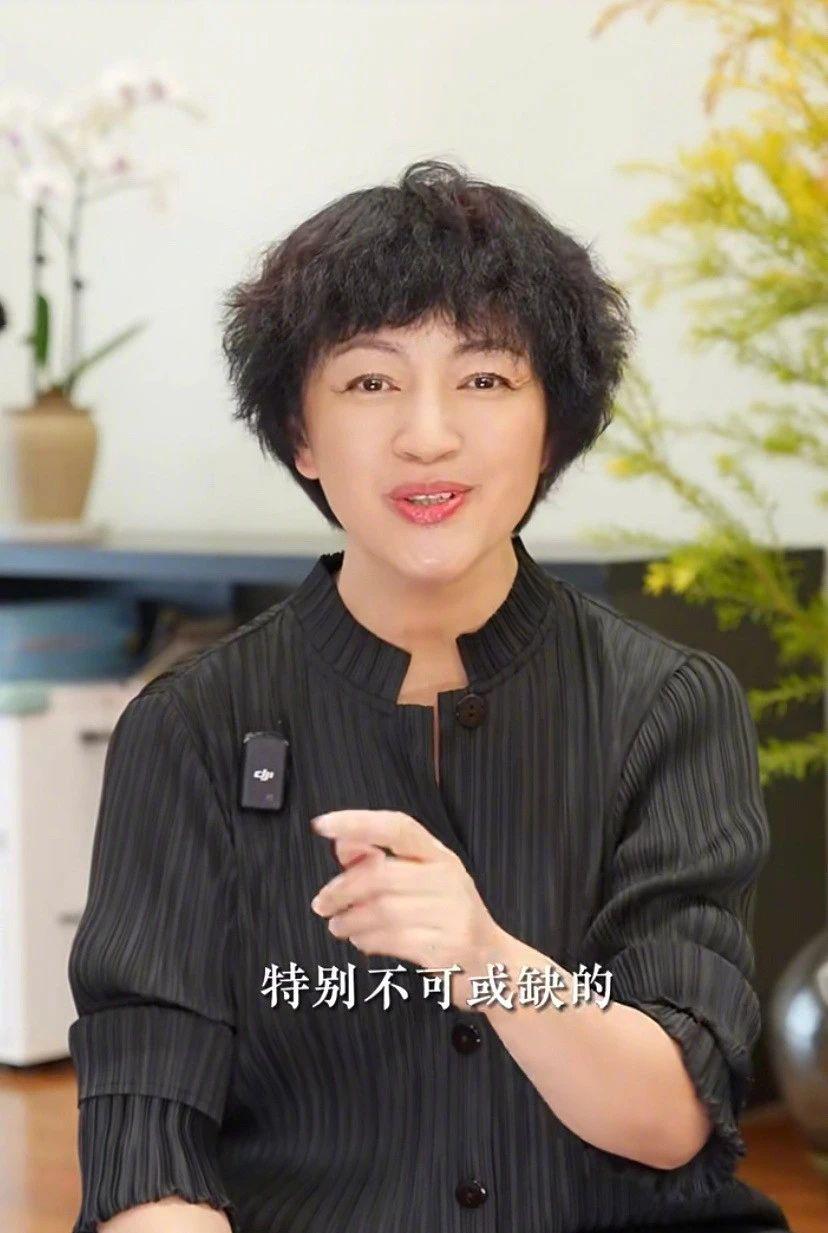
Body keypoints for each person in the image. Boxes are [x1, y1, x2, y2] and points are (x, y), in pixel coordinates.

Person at [67, 159, 792, 1233]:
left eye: (485, 379)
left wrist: (487, 961)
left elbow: (674, 1115)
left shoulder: (667, 706)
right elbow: (148, 1141)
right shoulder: (192, 727)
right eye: (370, 382)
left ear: (552, 426)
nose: (428, 434)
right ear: (300, 432)